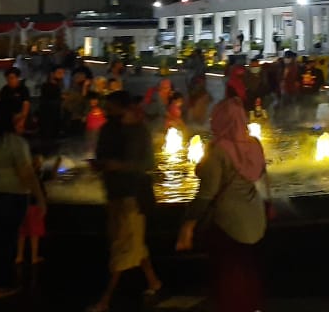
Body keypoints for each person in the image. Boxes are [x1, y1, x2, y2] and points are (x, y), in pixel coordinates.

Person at [177, 100, 269, 312]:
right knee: (249, 269)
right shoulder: (254, 144)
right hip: (255, 216)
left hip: (228, 221)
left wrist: (188, 225)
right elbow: (261, 176)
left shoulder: (219, 151)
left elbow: (206, 193)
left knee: (228, 274)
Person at [89, 92, 162, 312]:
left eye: (111, 108)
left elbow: (147, 162)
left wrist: (118, 166)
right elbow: (103, 155)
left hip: (133, 195)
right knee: (131, 243)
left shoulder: (139, 131)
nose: (107, 112)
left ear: (126, 108)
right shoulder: (108, 129)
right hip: (114, 194)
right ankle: (153, 282)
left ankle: (105, 300)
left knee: (123, 246)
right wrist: (101, 164)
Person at [0, 100, 46, 299]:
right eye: (19, 122)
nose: (22, 126)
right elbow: (26, 174)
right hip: (11, 197)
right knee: (5, 243)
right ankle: (1, 286)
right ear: (9, 122)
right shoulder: (15, 142)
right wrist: (40, 198)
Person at [15, 155, 49, 264]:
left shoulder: (23, 175)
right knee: (34, 234)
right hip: (34, 207)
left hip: (23, 206)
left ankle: (19, 256)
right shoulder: (36, 177)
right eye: (40, 162)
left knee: (22, 233)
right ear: (37, 163)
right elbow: (40, 193)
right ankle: (34, 258)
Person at [38, 66, 65, 142]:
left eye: (63, 73)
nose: (62, 75)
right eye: (59, 73)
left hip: (55, 122)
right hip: (48, 122)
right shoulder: (47, 86)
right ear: (52, 74)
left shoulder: (58, 87)